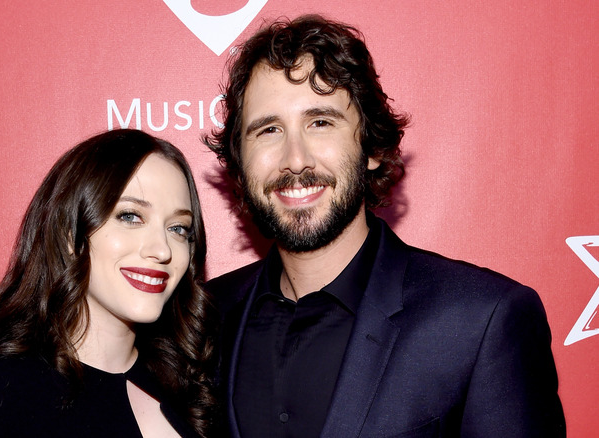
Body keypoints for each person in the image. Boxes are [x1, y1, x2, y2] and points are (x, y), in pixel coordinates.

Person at [204, 15, 565, 438]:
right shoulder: (203, 318)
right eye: (268, 130)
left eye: (320, 122)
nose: (295, 159)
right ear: (241, 165)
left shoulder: (481, 321)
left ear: (372, 147)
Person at [0, 129, 215, 438]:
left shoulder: (198, 393)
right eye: (130, 216)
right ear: (68, 235)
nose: (161, 249)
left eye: (179, 228)